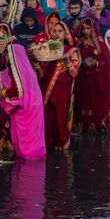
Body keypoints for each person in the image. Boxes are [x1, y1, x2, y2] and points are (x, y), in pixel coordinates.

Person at [0, 44, 46, 160]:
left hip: (28, 107)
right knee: (31, 134)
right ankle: (31, 156)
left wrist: (2, 93)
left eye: (8, 54)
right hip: (33, 104)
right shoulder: (23, 68)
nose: (6, 56)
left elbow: (17, 90)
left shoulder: (18, 69)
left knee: (27, 136)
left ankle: (29, 157)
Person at [35, 22, 80, 150]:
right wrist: (36, 64)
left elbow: (75, 74)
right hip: (47, 89)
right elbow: (42, 75)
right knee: (48, 121)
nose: (56, 33)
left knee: (61, 122)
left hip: (62, 91)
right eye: (54, 31)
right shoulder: (45, 50)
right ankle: (50, 148)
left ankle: (65, 150)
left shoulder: (71, 51)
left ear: (66, 34)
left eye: (60, 31)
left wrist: (67, 61)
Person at [74, 18, 110, 132]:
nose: (86, 31)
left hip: (97, 80)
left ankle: (98, 126)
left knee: (97, 104)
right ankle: (84, 127)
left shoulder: (100, 45)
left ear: (93, 29)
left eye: (88, 28)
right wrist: (82, 62)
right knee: (83, 103)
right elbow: (74, 60)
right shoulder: (78, 45)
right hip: (83, 80)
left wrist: (96, 63)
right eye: (84, 28)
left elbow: (108, 63)